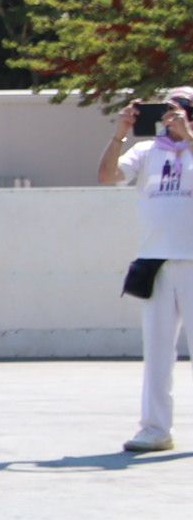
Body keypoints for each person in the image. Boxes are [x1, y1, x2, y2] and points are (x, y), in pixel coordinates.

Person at [103, 87, 192, 454]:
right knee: (157, 353)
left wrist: (189, 137)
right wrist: (120, 131)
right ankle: (155, 428)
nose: (172, 115)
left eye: (182, 108)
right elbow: (108, 175)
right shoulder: (146, 151)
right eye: (168, 109)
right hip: (156, 262)